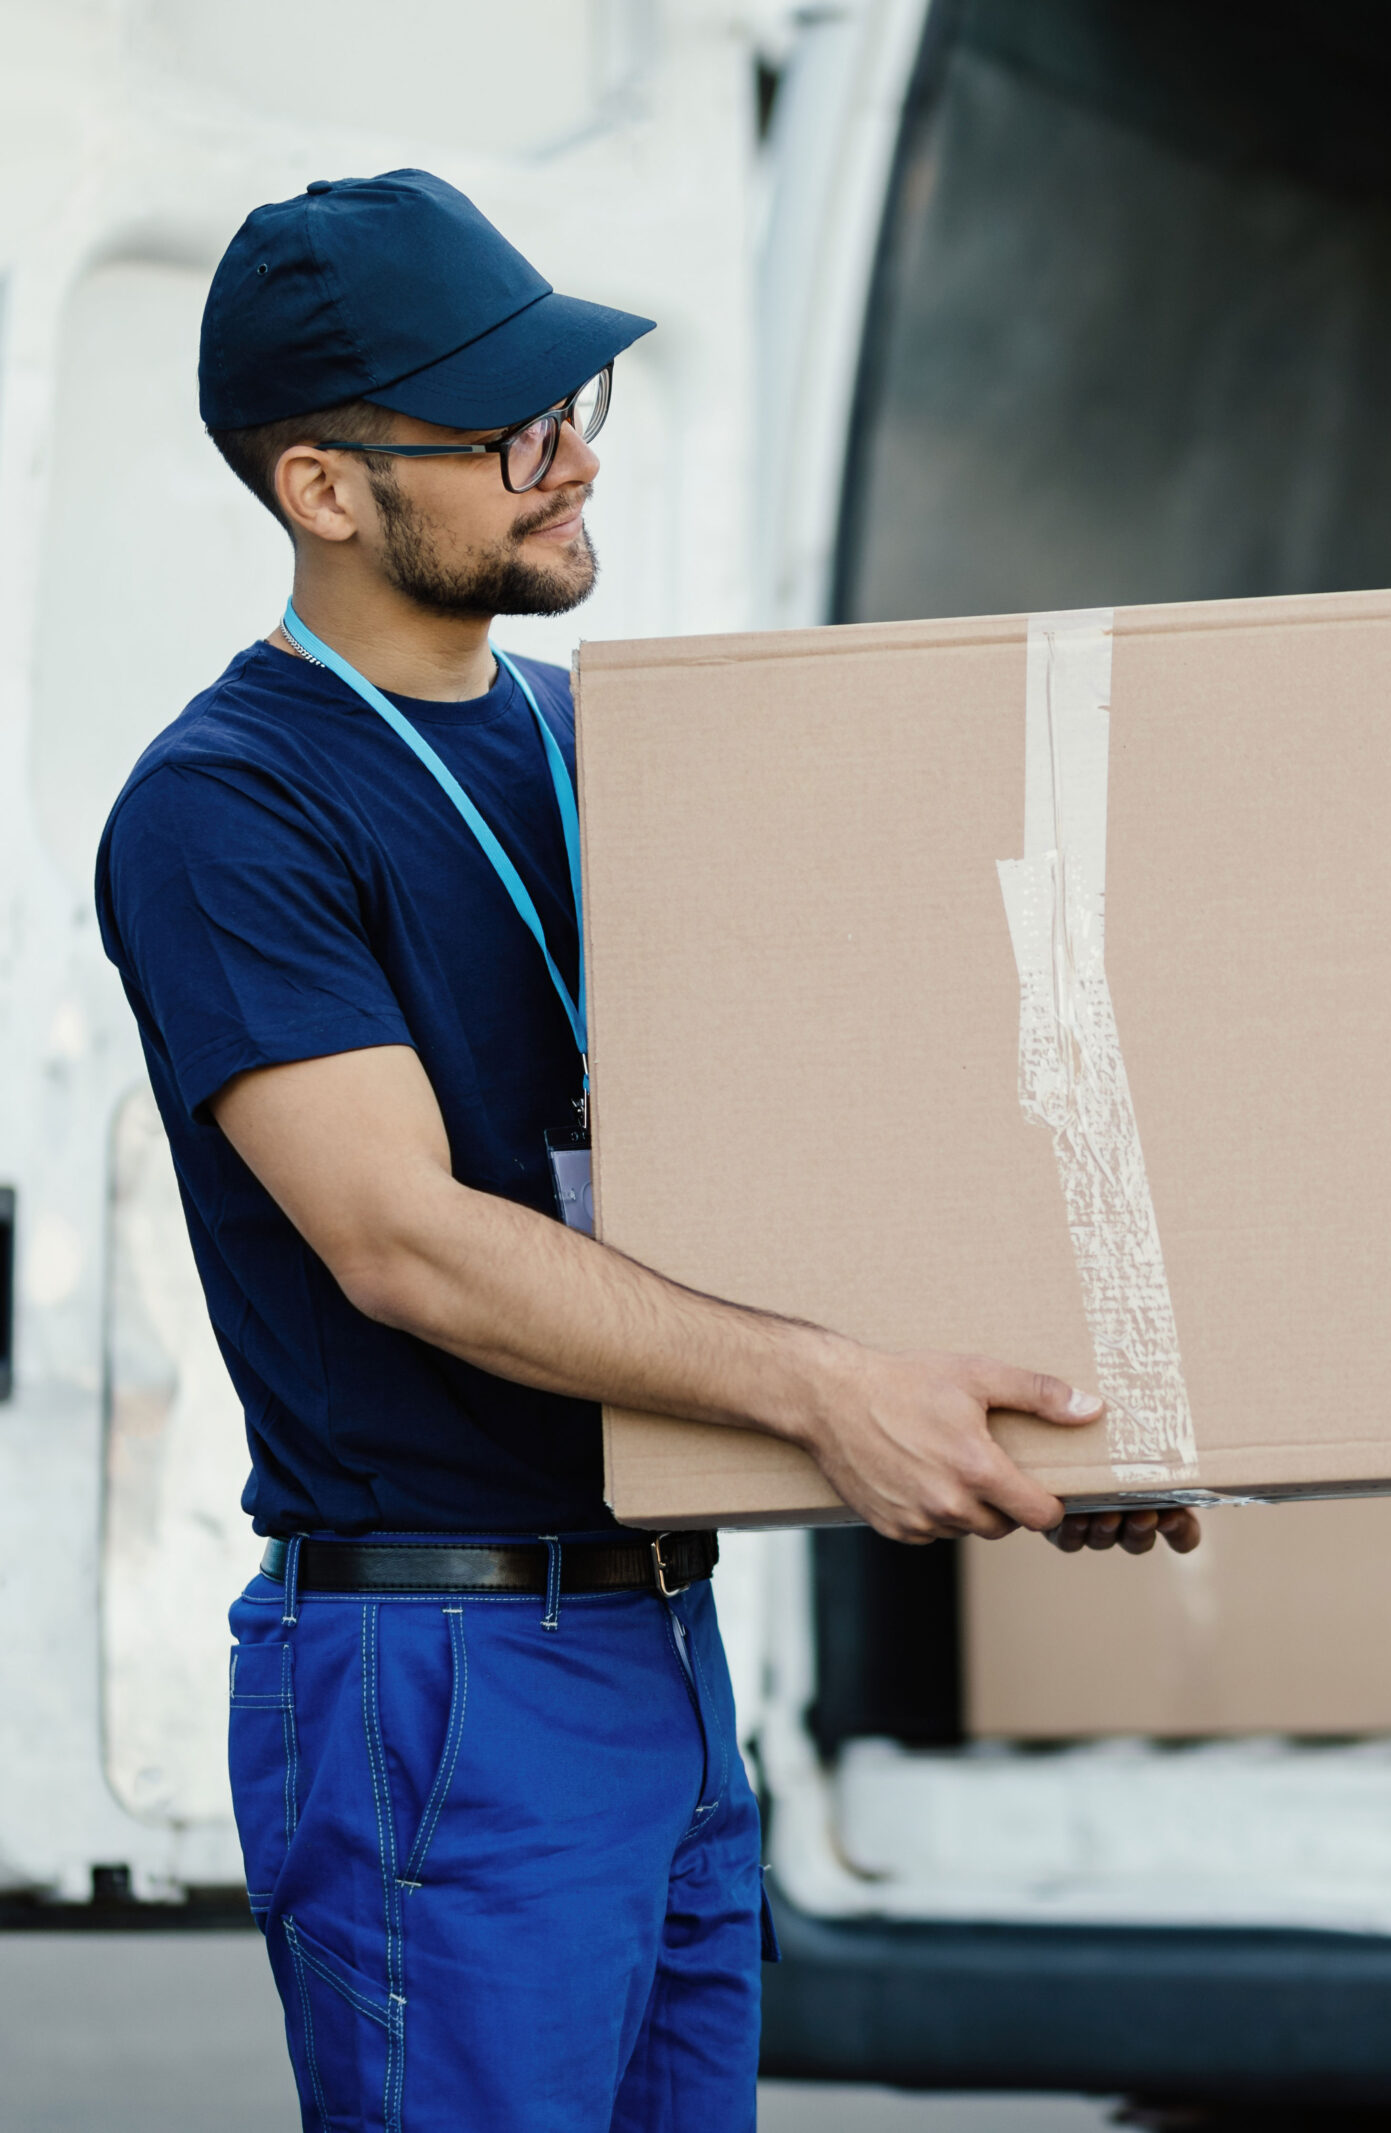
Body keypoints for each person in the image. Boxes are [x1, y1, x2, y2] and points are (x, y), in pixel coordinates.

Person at [96, 170, 1195, 2133]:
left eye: (572, 409)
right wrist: (832, 1389)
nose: (567, 458)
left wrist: (1031, 1411)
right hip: (439, 1666)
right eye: (505, 429)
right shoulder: (227, 804)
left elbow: (832, 1135)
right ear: (322, 488)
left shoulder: (605, 738)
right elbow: (402, 1238)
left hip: (657, 1629)